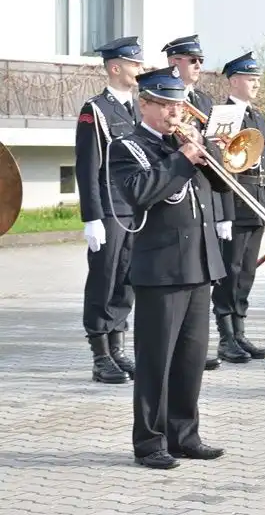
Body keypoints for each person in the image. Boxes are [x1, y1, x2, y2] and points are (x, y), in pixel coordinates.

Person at [108, 66, 229, 468]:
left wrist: (206, 153)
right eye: (164, 104)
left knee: (191, 359)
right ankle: (149, 442)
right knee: (155, 361)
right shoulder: (128, 147)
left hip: (199, 265)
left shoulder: (186, 143)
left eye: (178, 105)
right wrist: (182, 158)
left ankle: (184, 435)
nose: (174, 112)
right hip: (161, 269)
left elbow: (223, 185)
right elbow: (140, 192)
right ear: (144, 104)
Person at [75, 36, 143, 384]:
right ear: (115, 68)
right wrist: (92, 217)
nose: (139, 69)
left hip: (136, 207)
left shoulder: (138, 109)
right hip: (109, 210)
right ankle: (100, 354)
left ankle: (118, 347)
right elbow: (87, 166)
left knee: (127, 279)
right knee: (104, 278)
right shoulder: (96, 110)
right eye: (134, 64)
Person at [163, 33, 222, 371]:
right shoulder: (162, 97)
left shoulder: (203, 101)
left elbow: (214, 151)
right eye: (193, 60)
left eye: (201, 60)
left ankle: (193, 349)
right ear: (175, 62)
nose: (199, 65)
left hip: (201, 194)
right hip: (172, 196)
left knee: (201, 278)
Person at [209, 52, 265, 363]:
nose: (256, 84)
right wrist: (223, 212)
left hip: (256, 201)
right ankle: (226, 336)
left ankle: (240, 330)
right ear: (233, 81)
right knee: (230, 270)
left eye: (257, 79)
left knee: (246, 271)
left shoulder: (257, 116)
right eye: (250, 79)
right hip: (236, 201)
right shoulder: (223, 115)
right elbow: (219, 166)